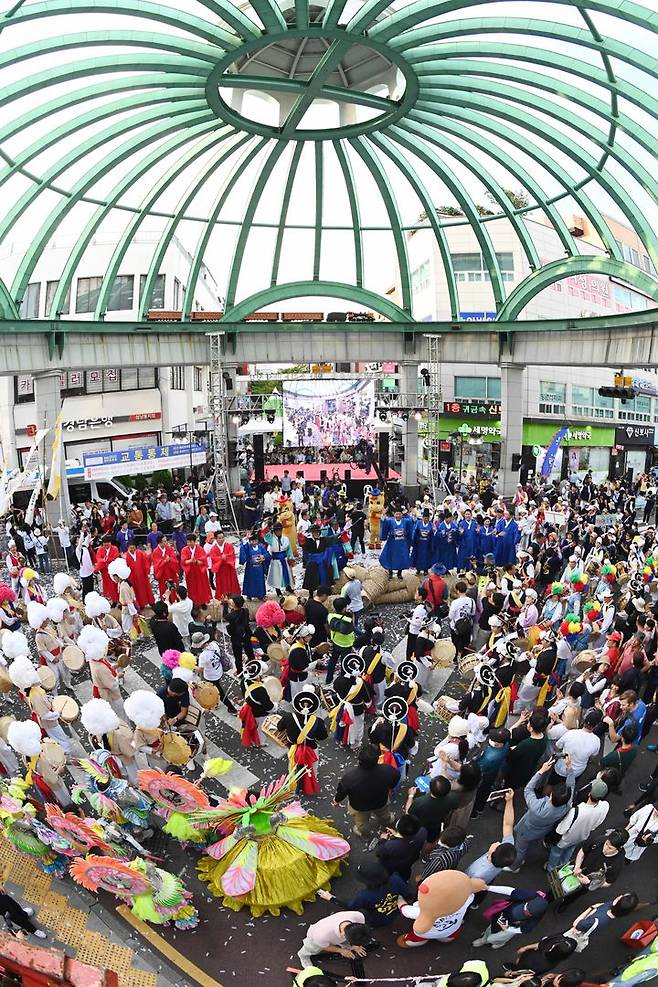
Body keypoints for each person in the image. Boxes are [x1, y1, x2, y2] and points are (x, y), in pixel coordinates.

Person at [511, 758, 576, 871]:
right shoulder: (567, 805)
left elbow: (528, 790)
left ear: (551, 795)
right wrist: (569, 769)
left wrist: (541, 771)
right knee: (532, 844)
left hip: (526, 830)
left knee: (520, 849)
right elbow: (571, 785)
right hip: (543, 830)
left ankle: (514, 867)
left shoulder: (537, 808)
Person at [318, 861, 411, 927]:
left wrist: (331, 898)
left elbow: (351, 907)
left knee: (374, 923)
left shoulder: (364, 896)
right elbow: (406, 893)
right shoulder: (396, 879)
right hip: (396, 910)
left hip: (376, 918)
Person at [334, 744, 399, 838]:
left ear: (359, 759)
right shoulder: (388, 770)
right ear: (378, 759)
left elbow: (342, 792)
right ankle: (388, 821)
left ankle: (365, 834)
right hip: (381, 801)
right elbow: (396, 777)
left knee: (362, 824)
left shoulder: (350, 778)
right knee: (384, 814)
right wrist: (390, 787)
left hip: (360, 807)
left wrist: (337, 800)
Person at [555, 831, 627, 913]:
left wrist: (589, 882)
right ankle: (549, 898)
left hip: (585, 884)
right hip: (576, 870)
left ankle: (565, 903)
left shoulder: (617, 862)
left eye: (610, 848)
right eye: (606, 844)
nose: (605, 848)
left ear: (619, 848)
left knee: (573, 895)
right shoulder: (600, 840)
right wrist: (577, 866)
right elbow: (583, 851)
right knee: (558, 884)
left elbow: (608, 882)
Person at [547, 778, 610, 871]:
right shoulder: (605, 806)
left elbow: (561, 830)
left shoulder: (576, 810)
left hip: (566, 838)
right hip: (581, 836)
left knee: (556, 852)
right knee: (569, 851)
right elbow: (596, 825)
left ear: (589, 793)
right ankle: (562, 867)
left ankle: (551, 868)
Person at [467, 789, 516, 895]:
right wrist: (509, 801)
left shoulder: (477, 873)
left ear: (491, 853)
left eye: (497, 846)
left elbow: (468, 886)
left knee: (478, 892)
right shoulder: (507, 850)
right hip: (489, 879)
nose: (498, 842)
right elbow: (508, 824)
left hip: (472, 884)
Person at [473, 887, 549, 949]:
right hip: (503, 915)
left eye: (527, 914)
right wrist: (488, 887)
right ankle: (484, 938)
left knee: (492, 939)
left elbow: (525, 929)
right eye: (524, 908)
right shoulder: (530, 895)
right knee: (491, 927)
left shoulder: (537, 916)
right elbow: (509, 890)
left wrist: (508, 928)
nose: (524, 911)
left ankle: (496, 942)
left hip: (512, 926)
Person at [297, 911, 371, 969]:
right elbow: (325, 947)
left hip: (335, 935)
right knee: (312, 948)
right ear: (343, 935)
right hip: (314, 938)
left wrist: (354, 946)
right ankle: (303, 956)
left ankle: (345, 944)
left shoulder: (359, 916)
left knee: (344, 943)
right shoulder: (321, 935)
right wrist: (341, 951)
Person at [405, 776, 459, 843]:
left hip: (419, 826)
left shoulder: (420, 802)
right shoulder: (453, 798)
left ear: (430, 788)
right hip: (436, 825)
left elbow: (408, 813)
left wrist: (411, 796)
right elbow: (453, 811)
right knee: (431, 842)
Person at [375, 814, 427, 881]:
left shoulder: (390, 846)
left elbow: (379, 853)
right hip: (409, 862)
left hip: (391, 867)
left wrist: (383, 840)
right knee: (405, 873)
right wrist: (397, 834)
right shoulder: (423, 832)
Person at [325, 597, 355, 685]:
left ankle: (328, 679)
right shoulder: (348, 619)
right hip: (346, 644)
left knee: (333, 660)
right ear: (344, 608)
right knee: (344, 663)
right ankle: (343, 681)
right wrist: (350, 614)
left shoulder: (330, 616)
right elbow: (350, 629)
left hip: (335, 642)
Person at [225, 594, 254, 681]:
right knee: (249, 652)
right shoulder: (246, 611)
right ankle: (253, 665)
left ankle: (239, 671)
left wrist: (226, 605)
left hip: (236, 638)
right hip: (246, 634)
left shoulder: (231, 616)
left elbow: (226, 616)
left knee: (238, 656)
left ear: (234, 604)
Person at [180, 533, 212, 606]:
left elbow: (204, 561)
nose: (189, 543)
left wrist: (196, 561)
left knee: (202, 586)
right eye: (188, 542)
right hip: (190, 571)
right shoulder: (184, 550)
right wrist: (191, 561)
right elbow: (183, 561)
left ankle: (203, 600)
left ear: (194, 541)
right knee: (192, 586)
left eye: (191, 541)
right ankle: (193, 601)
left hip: (199, 571)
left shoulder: (200, 549)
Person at [380, 509, 412, 579]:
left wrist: (407, 512)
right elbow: (384, 523)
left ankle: (399, 573)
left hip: (402, 543)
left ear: (402, 515)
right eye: (396, 514)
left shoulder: (406, 521)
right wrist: (383, 516)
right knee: (390, 557)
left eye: (399, 514)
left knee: (401, 558)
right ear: (394, 514)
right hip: (392, 542)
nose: (398, 516)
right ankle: (390, 573)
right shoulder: (390, 521)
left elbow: (412, 521)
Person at [449, 580, 476, 659]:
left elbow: (450, 616)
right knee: (465, 643)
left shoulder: (455, 603)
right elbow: (473, 613)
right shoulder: (471, 601)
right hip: (467, 625)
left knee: (455, 643)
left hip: (455, 626)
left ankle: (455, 657)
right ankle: (464, 657)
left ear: (457, 591)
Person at [239, 532, 270, 600]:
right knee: (250, 581)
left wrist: (263, 557)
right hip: (250, 568)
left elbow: (267, 554)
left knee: (260, 581)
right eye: (252, 541)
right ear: (250, 541)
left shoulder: (261, 547)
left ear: (258, 540)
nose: (254, 542)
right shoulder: (248, 547)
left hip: (259, 568)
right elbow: (243, 548)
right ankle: (249, 595)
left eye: (255, 540)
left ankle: (260, 595)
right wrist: (245, 539)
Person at [168, 585, 194, 649]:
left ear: (178, 595)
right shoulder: (190, 601)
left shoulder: (176, 607)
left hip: (180, 629)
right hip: (190, 625)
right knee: (191, 642)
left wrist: (166, 598)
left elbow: (168, 608)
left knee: (184, 645)